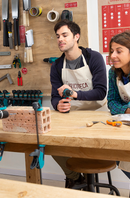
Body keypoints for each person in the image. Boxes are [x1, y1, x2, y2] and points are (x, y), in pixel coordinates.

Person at [50, 20, 107, 188]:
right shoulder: (57, 65)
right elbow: (54, 97)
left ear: (76, 37)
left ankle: (88, 181)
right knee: (52, 144)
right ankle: (75, 177)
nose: (60, 39)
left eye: (65, 35)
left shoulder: (93, 58)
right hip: (72, 116)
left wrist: (74, 94)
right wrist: (58, 104)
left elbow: (101, 91)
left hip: (97, 113)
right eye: (58, 36)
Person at [107, 30, 130, 197]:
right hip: (129, 124)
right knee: (117, 152)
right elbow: (112, 103)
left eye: (118, 51)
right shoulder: (113, 73)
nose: (113, 55)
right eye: (111, 51)